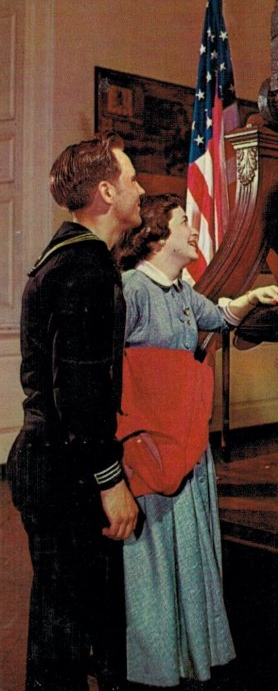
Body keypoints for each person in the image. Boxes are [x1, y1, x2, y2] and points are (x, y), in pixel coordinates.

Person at [114, 194, 278, 688]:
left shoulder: (179, 290)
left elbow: (220, 316)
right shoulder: (132, 289)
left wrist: (255, 298)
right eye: (183, 223)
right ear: (156, 236)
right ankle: (153, 666)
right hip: (150, 455)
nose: (194, 230)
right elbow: (116, 380)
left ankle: (189, 653)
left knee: (188, 553)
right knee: (152, 561)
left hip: (186, 448)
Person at [6, 132, 144, 691]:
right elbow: (81, 396)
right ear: (107, 192)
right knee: (68, 634)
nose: (140, 189)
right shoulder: (87, 268)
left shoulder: (63, 258)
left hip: (46, 460)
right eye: (132, 180)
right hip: (66, 470)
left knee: (61, 624)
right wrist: (110, 482)